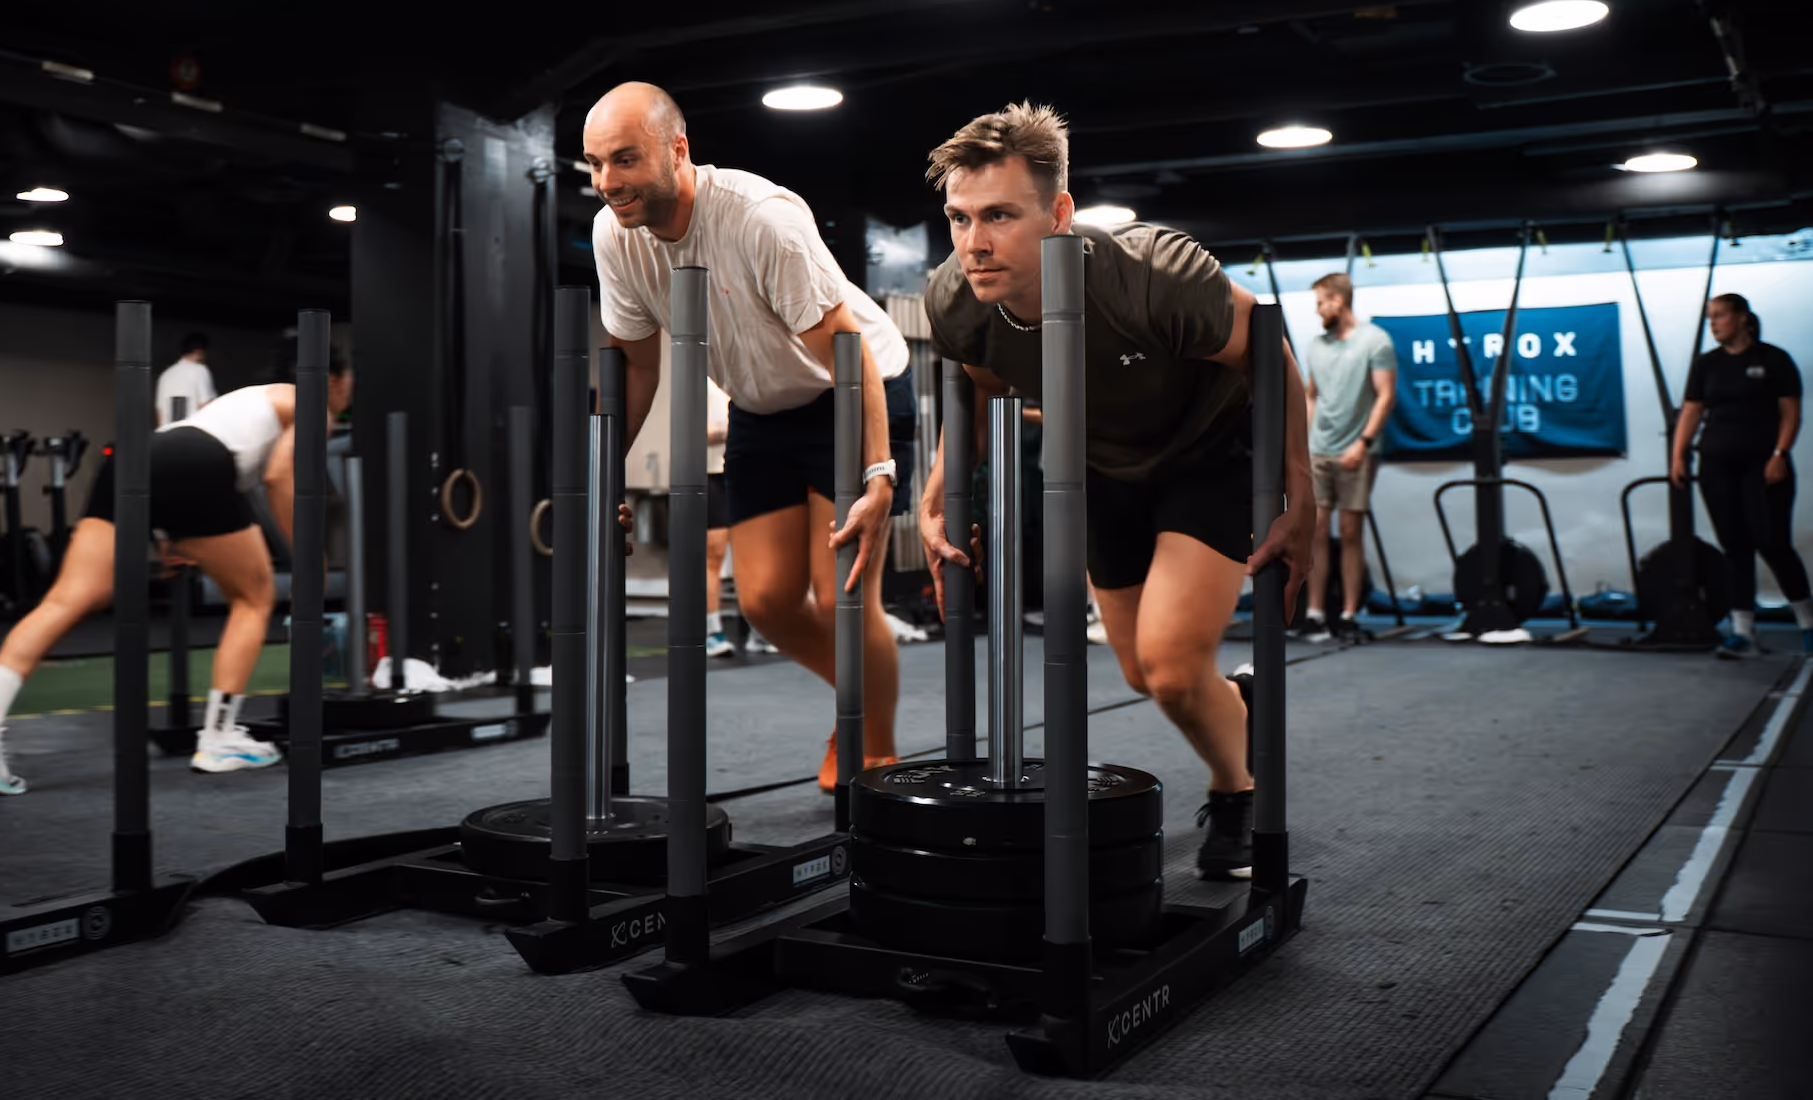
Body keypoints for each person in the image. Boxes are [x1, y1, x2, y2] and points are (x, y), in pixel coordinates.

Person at [916, 102, 1317, 881]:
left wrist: (1301, 492)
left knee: (1168, 666)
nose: (976, 242)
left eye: (1000, 215)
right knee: (1142, 672)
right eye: (960, 219)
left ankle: (1237, 787)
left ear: (1059, 213)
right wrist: (937, 495)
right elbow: (982, 385)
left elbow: (1267, 349)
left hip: (1210, 452)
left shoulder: (1152, 275)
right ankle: (1238, 702)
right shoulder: (957, 299)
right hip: (1100, 466)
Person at [585, 81, 914, 789]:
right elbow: (637, 364)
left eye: (624, 159)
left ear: (678, 152)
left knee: (844, 599)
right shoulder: (616, 235)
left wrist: (881, 474)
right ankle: (864, 696)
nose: (607, 182)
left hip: (852, 389)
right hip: (762, 406)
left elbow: (847, 348)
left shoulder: (760, 217)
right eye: (594, 164)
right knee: (764, 599)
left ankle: (874, 748)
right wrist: (604, 476)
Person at [0, 360, 354, 792]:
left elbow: (208, 463)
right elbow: (280, 477)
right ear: (334, 381)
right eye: (352, 381)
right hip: (197, 465)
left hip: (135, 456)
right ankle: (219, 738)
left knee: (69, 597)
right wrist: (307, 552)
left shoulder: (249, 398)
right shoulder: (313, 406)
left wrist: (170, 539)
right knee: (255, 597)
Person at [1670, 293, 1813, 659]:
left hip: (1764, 464)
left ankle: (1808, 624)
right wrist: (1678, 454)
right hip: (1716, 464)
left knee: (1772, 544)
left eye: (1720, 316)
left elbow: (1791, 413)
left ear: (1742, 318)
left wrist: (1780, 454)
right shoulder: (1706, 365)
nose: (1714, 324)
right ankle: (1742, 633)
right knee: (1735, 548)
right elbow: (1691, 411)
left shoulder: (1774, 359)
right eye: (1710, 318)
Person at [1302, 273, 1397, 638]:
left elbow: (1385, 396)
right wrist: (1303, 441)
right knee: (1317, 530)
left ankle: (1349, 613)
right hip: (1319, 449)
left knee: (1350, 529)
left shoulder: (1375, 341)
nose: (1318, 310)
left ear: (1338, 301)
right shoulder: (1316, 345)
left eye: (1321, 302)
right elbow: (1312, 394)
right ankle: (1314, 612)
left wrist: (1364, 442)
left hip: (1358, 449)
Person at [704, 377, 737, 658]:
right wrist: (727, 431)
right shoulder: (699, 380)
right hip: (710, 473)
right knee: (713, 556)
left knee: (755, 552)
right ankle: (712, 631)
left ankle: (759, 632)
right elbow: (687, 431)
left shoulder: (743, 375)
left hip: (745, 469)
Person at [155, 332, 216, 427]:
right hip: (192, 434)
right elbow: (206, 406)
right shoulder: (199, 370)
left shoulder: (165, 375)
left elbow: (160, 411)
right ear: (200, 351)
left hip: (167, 434)